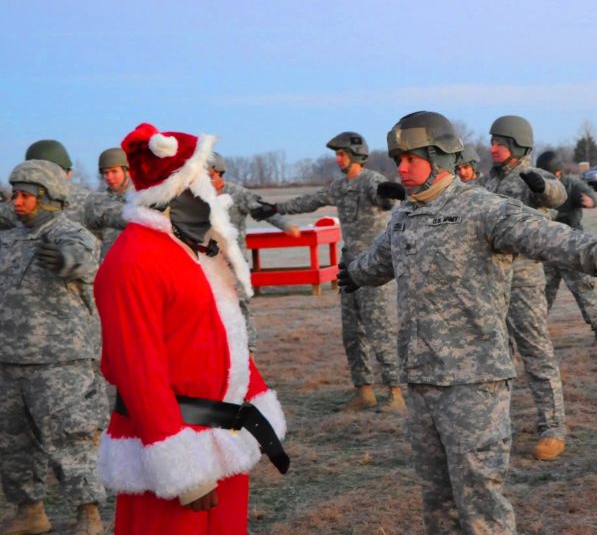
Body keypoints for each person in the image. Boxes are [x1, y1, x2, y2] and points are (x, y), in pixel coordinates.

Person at [340, 110, 597, 535]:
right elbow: (380, 261)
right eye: (397, 159)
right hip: (420, 380)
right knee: (437, 502)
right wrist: (355, 273)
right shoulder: (405, 215)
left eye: (410, 159)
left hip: (473, 383)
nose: (400, 168)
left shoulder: (482, 208)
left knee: (481, 502)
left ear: (439, 158)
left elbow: (549, 238)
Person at [94, 123, 288, 535]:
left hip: (221, 439)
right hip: (173, 446)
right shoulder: (133, 262)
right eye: (203, 181)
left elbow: (229, 339)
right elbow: (137, 371)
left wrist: (256, 400)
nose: (214, 192)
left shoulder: (197, 252)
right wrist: (182, 470)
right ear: (176, 190)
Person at [252, 133, 404, 412]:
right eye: (337, 154)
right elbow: (311, 201)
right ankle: (364, 391)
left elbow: (384, 198)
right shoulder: (339, 186)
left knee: (379, 330)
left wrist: (388, 197)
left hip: (372, 268)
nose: (338, 159)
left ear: (356, 155)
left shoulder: (371, 180)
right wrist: (275, 208)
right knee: (352, 333)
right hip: (349, 267)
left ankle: (395, 392)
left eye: (342, 154)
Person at [0, 159, 105, 535]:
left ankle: (88, 515)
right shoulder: (8, 238)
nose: (17, 202)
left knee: (71, 439)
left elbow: (85, 259)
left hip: (59, 362)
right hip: (8, 361)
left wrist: (66, 261)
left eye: (25, 195)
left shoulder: (68, 233)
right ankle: (30, 512)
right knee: (12, 443)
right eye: (14, 194)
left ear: (47, 196)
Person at [476, 116, 571, 460]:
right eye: (492, 142)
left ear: (517, 145)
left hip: (524, 279)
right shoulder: (487, 182)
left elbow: (557, 195)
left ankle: (552, 427)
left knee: (536, 352)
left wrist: (540, 186)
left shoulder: (533, 177)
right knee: (494, 356)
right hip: (490, 281)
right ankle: (494, 425)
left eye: (500, 143)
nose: (493, 148)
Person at [208, 152, 300, 353]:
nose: (206, 178)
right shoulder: (197, 197)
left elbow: (263, 209)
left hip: (233, 264)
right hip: (207, 265)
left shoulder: (237, 194)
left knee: (241, 305)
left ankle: (248, 351)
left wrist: (286, 225)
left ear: (218, 172)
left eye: (210, 174)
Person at [536, 150, 597, 346]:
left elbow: (593, 196)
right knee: (541, 292)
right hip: (546, 247)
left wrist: (590, 201)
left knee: (583, 288)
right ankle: (534, 333)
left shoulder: (572, 184)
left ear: (558, 173)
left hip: (572, 246)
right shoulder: (537, 186)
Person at [82, 147, 131, 259]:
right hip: (106, 263)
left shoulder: (143, 199)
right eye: (105, 173)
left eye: (114, 171)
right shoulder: (97, 203)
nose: (109, 177)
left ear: (127, 171)